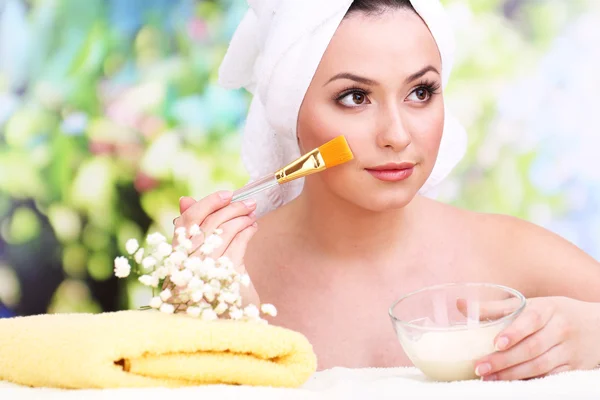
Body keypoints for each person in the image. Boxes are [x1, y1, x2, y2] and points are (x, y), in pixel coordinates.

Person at [172, 0, 600, 380]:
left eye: (420, 92)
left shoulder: (510, 253)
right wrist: (218, 336)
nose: (397, 135)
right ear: (290, 112)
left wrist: (592, 333)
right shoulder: (222, 275)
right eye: (355, 97)